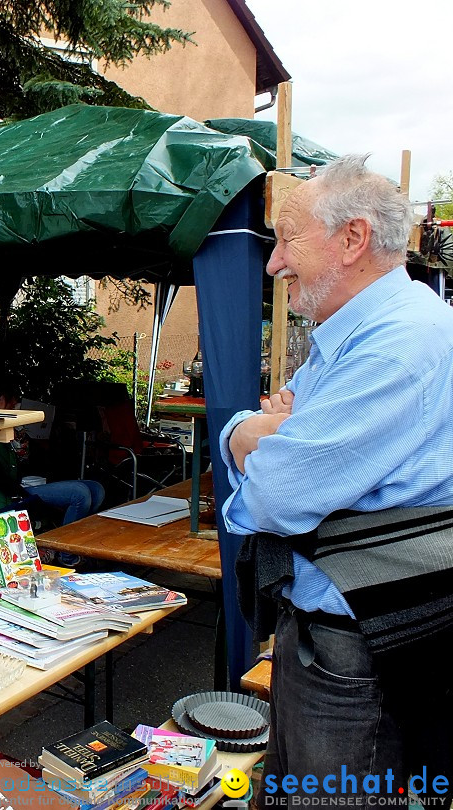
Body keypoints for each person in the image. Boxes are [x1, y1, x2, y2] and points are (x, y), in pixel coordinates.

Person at [221, 155, 453, 804]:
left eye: (287, 239)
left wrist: (255, 438)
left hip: (358, 654)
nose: (274, 263)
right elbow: (263, 435)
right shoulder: (358, 331)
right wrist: (255, 434)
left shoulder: (398, 342)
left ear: (352, 239)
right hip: (329, 638)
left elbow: (274, 494)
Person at [0, 372, 105, 527]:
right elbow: (3, 478)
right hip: (13, 492)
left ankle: (76, 538)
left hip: (30, 484)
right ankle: (64, 550)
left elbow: (39, 461)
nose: (15, 407)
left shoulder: (15, 430)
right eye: (10, 404)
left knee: (96, 489)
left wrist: (32, 442)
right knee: (80, 494)